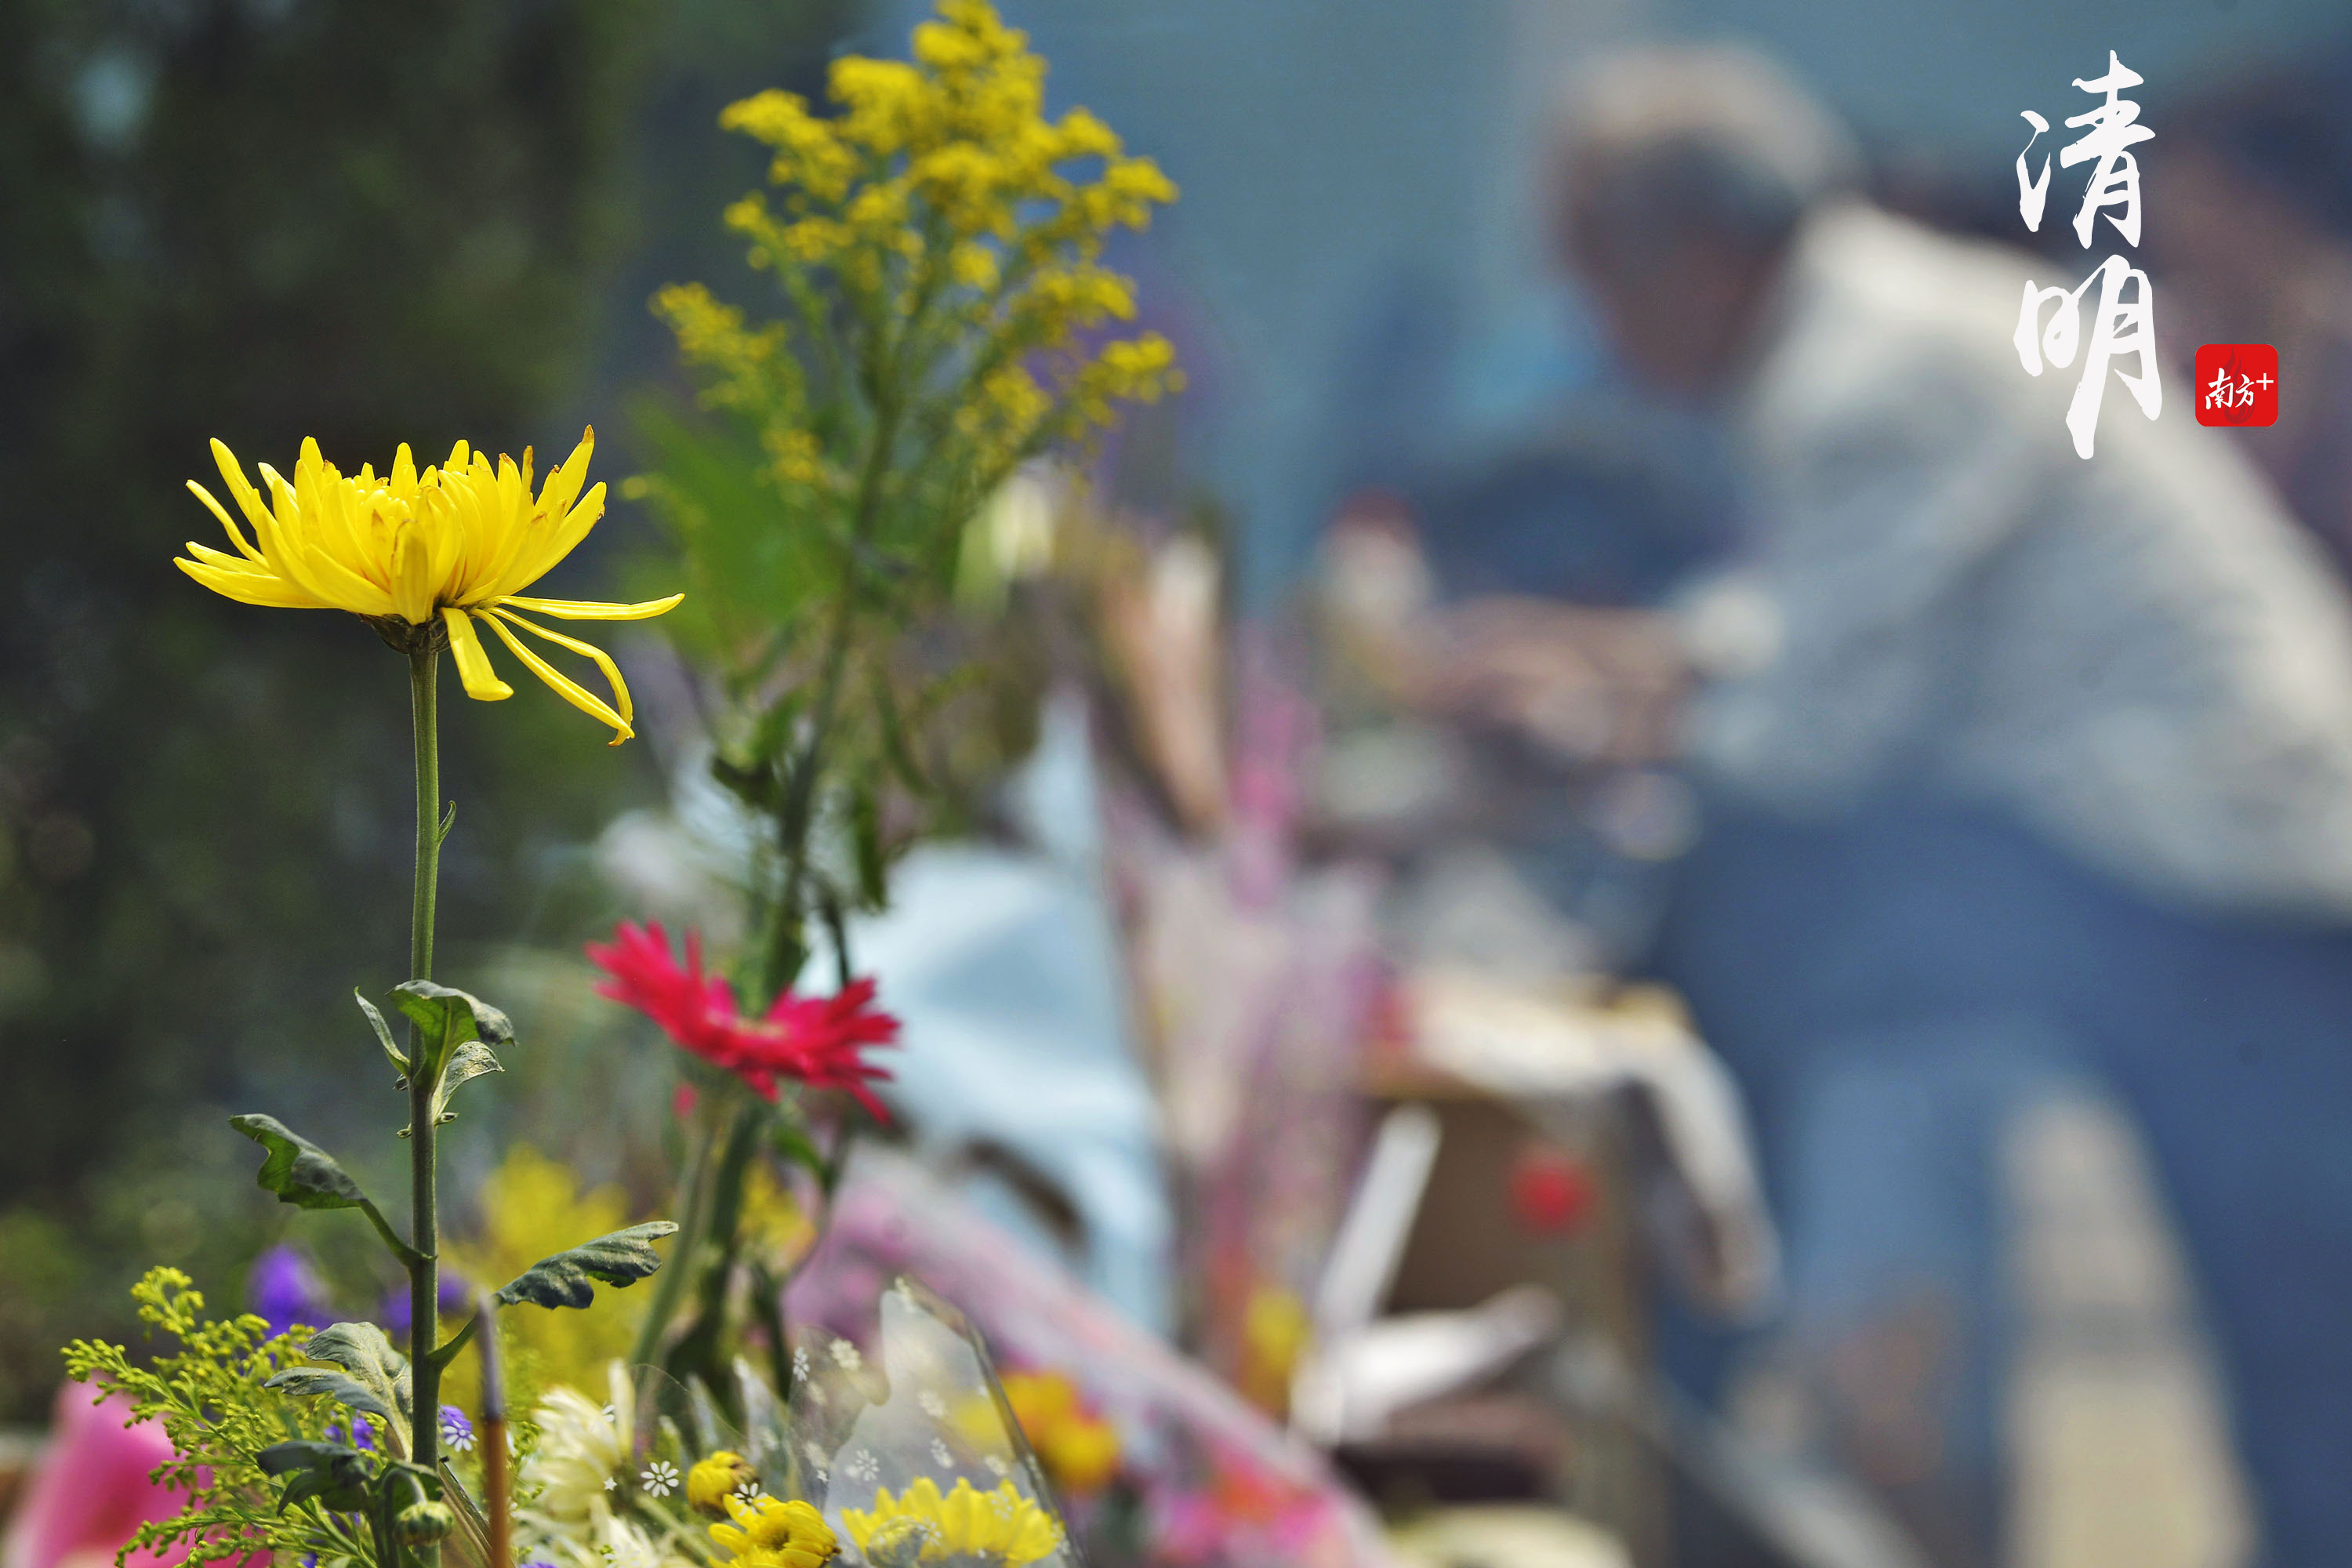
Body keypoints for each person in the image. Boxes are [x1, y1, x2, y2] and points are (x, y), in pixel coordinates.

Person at [1419, 44, 2352, 1568]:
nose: (1598, 328)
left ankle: (1678, 1346)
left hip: (2232, 864)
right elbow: (1824, 622)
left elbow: (1818, 735)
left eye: (1601, 278)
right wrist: (1635, 662)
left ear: (1695, 254)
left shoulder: (1871, 368)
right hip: (2172, 850)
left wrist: (1588, 721)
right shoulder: (1874, 322)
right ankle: (1697, 1353)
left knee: (2311, 1356)